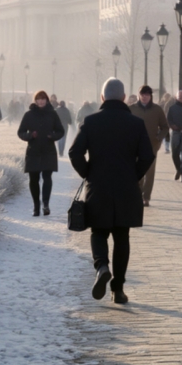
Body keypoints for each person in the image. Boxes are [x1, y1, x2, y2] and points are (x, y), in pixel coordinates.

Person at [69, 78, 154, 305]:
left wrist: (88, 173)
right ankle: (118, 290)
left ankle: (102, 266)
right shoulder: (135, 123)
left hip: (99, 187)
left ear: (102, 98)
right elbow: (147, 155)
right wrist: (133, 175)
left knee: (98, 232)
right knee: (121, 236)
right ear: (125, 98)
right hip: (126, 188)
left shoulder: (91, 121)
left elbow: (74, 152)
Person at [17, 90, 65, 216]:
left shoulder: (52, 114)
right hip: (33, 151)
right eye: (38, 98)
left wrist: (52, 136)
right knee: (34, 179)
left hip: (48, 151)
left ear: (47, 100)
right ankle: (36, 206)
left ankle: (45, 204)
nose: (41, 101)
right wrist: (29, 136)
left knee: (47, 178)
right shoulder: (29, 115)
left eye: (43, 98)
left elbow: (61, 131)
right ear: (35, 100)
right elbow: (20, 132)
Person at [129, 85, 169, 205]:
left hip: (152, 145)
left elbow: (165, 127)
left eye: (147, 94)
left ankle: (146, 197)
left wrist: (158, 138)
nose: (144, 97)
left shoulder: (157, 109)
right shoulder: (131, 109)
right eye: (142, 94)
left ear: (151, 96)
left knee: (150, 172)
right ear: (138, 95)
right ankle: (137, 194)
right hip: (135, 146)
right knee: (137, 172)